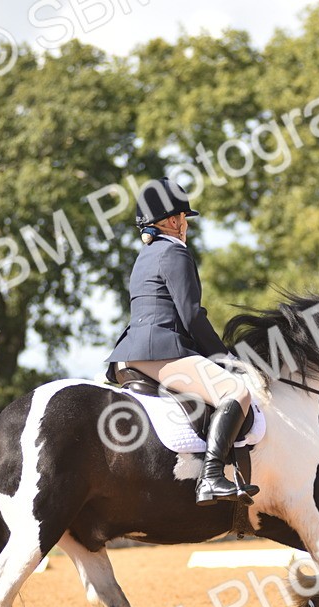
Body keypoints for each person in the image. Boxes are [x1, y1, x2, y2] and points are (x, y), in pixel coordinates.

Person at [106, 178, 258, 506]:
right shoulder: (175, 252)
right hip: (160, 351)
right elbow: (191, 316)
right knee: (237, 391)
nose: (186, 225)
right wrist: (225, 359)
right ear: (173, 221)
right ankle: (212, 477)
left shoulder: (144, 256)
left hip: (129, 354)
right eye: (184, 218)